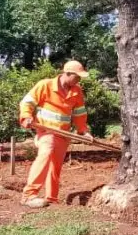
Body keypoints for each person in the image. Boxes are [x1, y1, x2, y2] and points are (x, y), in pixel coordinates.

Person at [18, 60, 94, 209]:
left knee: (55, 166)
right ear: (68, 73)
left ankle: (52, 198)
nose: (79, 80)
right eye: (77, 77)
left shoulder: (76, 91)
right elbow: (27, 102)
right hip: (45, 132)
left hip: (63, 135)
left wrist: (83, 132)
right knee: (46, 153)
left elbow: (79, 114)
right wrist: (26, 116)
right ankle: (28, 195)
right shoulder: (45, 85)